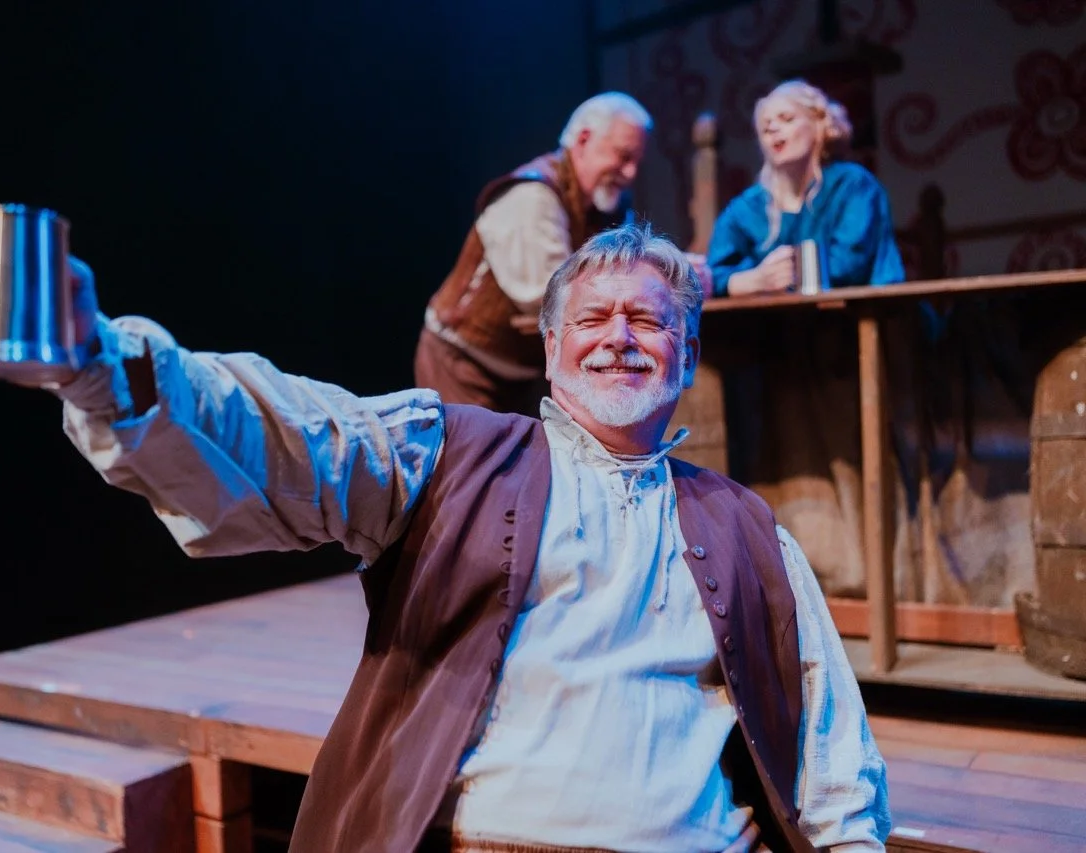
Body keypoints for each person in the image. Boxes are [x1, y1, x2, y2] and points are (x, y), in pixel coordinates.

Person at [47, 223, 889, 852]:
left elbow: (829, 740)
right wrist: (108, 364)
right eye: (594, 318)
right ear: (554, 351)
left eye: (649, 320)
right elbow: (298, 434)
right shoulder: (449, 454)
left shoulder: (745, 525)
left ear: (687, 351)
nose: (620, 337)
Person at [415, 92, 652, 414]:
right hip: (464, 363)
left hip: (522, 374)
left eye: (637, 161)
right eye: (623, 156)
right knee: (471, 460)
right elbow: (547, 296)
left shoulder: (602, 207)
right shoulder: (533, 196)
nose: (630, 173)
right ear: (583, 139)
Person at [706, 80, 904, 297]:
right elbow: (711, 276)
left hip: (859, 318)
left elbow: (848, 266)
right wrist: (755, 280)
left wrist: (783, 277)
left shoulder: (853, 186)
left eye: (786, 119)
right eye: (764, 127)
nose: (772, 128)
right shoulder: (748, 207)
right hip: (778, 324)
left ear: (819, 126)